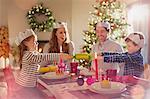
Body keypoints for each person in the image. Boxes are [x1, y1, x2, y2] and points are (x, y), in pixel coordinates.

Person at [9, 29, 71, 99]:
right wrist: (60, 55)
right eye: (34, 42)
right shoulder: (28, 55)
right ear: (26, 43)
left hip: (30, 85)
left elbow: (40, 60)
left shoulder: (33, 54)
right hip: (25, 87)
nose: (37, 44)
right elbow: (43, 57)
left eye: (37, 42)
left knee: (42, 95)